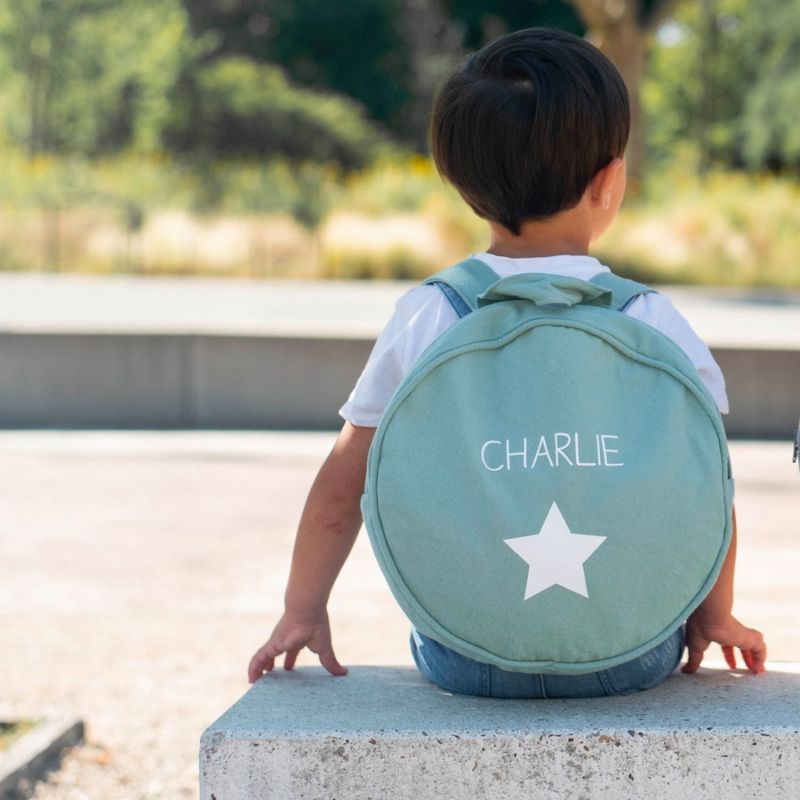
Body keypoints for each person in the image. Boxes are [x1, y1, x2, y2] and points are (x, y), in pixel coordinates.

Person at [247, 27, 767, 696]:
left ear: (465, 187)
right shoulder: (650, 319)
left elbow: (341, 486)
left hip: (466, 657)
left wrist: (301, 610)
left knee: (439, 631)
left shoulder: (430, 314)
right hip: (632, 655)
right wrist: (711, 615)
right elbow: (702, 489)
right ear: (609, 183)